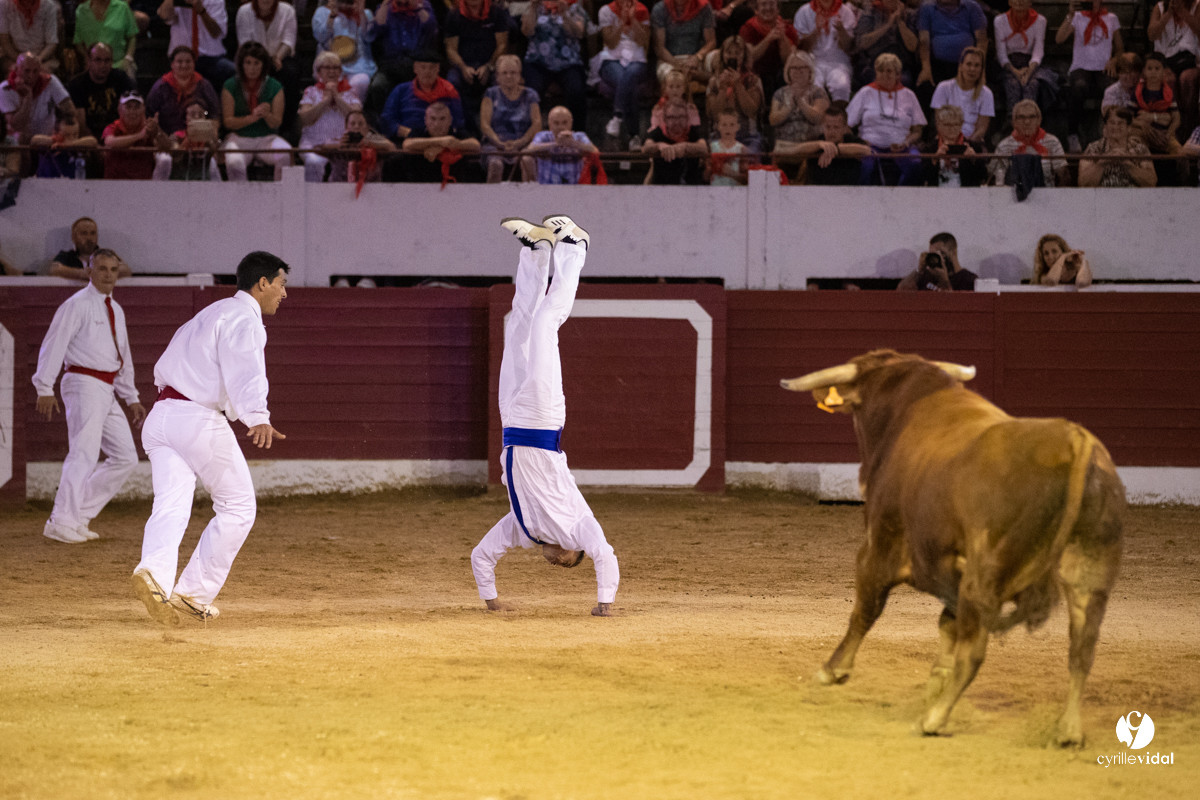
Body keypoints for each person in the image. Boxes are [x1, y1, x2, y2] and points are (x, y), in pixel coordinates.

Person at [131, 250, 290, 625]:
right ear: (263, 283)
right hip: (196, 420)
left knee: (171, 503)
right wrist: (257, 416)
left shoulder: (210, 312)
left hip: (161, 417)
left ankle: (153, 575)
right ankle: (192, 595)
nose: (284, 293)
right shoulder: (245, 319)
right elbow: (246, 370)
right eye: (282, 284)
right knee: (238, 506)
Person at [471, 215, 618, 618]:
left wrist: (492, 602)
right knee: (544, 325)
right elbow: (604, 554)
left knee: (520, 324)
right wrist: (604, 602)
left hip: (511, 422)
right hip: (542, 419)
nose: (559, 564)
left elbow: (481, 555)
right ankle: (575, 248)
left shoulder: (523, 531)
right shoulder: (578, 525)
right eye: (569, 563)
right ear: (575, 550)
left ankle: (537, 250)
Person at [32, 248, 145, 544]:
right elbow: (54, 344)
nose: (108, 275)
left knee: (125, 457)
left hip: (106, 387)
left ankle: (78, 515)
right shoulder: (76, 305)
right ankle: (61, 520)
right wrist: (44, 387)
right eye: (102, 268)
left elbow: (122, 355)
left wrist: (131, 396)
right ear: (89, 271)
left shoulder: (115, 309)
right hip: (82, 382)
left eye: (113, 270)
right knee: (83, 453)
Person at [846, 52, 926, 185]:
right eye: (880, 71)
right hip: (869, 146)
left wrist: (906, 143)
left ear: (898, 74)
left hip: (901, 146)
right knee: (865, 167)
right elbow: (847, 125)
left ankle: (902, 196)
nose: (884, 74)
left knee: (915, 164)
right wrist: (860, 142)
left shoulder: (909, 95)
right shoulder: (865, 92)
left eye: (889, 71)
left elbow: (918, 130)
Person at [1056, 0, 1123, 153]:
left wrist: (1114, 60)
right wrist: (1070, 14)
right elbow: (1059, 39)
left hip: (1102, 67)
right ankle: (1072, 133)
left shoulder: (1111, 18)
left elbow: (1120, 48)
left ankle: (1112, 133)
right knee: (1079, 86)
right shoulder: (1078, 17)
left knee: (1111, 89)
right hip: (1081, 66)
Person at [221, 41, 292, 181]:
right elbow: (228, 122)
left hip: (267, 138)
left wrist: (267, 115)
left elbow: (276, 122)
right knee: (234, 162)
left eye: (256, 63)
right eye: (248, 63)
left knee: (285, 155)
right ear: (241, 65)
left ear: (263, 65)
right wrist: (251, 118)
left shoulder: (275, 86)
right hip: (239, 138)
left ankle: (281, 193)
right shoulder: (230, 85)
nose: (252, 68)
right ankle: (239, 194)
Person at [521, 0, 589, 130]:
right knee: (531, 90)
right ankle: (531, 132)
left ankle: (577, 133)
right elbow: (526, 31)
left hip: (568, 62)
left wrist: (564, 15)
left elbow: (579, 33)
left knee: (576, 90)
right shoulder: (534, 6)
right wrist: (533, 10)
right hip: (538, 61)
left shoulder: (574, 7)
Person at [236, 0, 300, 138]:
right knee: (245, 72)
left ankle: (286, 128)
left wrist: (277, 57)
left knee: (291, 73)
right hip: (254, 57)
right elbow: (245, 43)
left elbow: (289, 41)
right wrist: (261, 61)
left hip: (280, 56)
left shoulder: (287, 10)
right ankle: (247, 125)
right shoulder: (244, 12)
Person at [444, 0, 508, 136]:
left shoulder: (496, 12)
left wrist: (489, 66)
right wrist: (463, 67)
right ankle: (464, 127)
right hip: (463, 64)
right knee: (452, 83)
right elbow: (451, 49)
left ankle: (499, 128)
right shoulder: (454, 15)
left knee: (503, 80)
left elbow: (502, 45)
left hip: (490, 63)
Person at [298, 50, 362, 182]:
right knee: (314, 162)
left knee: (347, 165)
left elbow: (356, 118)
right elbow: (305, 119)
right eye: (327, 67)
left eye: (336, 68)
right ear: (319, 71)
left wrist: (337, 97)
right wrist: (325, 101)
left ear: (340, 71)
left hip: (343, 146)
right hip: (313, 144)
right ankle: (313, 195)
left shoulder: (350, 92)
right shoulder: (311, 91)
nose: (332, 71)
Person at [773, 102, 871, 185]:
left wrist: (836, 149)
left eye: (836, 127)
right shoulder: (816, 141)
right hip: (816, 193)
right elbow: (788, 150)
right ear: (822, 126)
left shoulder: (852, 140)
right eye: (828, 127)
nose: (832, 131)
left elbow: (866, 150)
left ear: (845, 128)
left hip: (849, 193)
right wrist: (818, 145)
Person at [916, 0, 988, 111]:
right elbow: (923, 40)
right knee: (924, 84)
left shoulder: (972, 7)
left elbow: (982, 40)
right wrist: (926, 68)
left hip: (967, 64)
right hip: (937, 64)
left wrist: (981, 70)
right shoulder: (927, 8)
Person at [368, 0, 439, 113]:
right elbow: (376, 29)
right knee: (378, 86)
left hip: (415, 64)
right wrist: (386, 3)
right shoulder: (386, 8)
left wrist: (417, 7)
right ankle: (385, 118)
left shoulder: (423, 5)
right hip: (391, 63)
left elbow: (431, 28)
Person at [597, 0, 652, 143]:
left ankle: (617, 117)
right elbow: (611, 43)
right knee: (628, 84)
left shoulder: (642, 10)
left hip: (636, 60)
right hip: (611, 60)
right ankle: (634, 136)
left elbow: (643, 42)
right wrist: (621, 22)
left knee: (629, 76)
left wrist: (633, 20)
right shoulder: (606, 11)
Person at [480, 53, 540, 183]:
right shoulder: (491, 93)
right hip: (495, 143)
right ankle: (492, 195)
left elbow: (536, 124)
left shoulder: (530, 95)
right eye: (504, 73)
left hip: (524, 143)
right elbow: (485, 125)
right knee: (495, 164)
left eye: (513, 73)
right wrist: (500, 143)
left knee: (528, 161)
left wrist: (520, 142)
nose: (509, 76)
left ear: (519, 75)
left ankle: (532, 195)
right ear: (497, 76)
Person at [145, 46, 221, 144]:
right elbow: (150, 114)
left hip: (200, 139)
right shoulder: (160, 87)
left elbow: (215, 113)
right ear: (172, 64)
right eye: (179, 62)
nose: (184, 65)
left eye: (188, 61)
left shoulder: (204, 85)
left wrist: (213, 133)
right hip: (167, 140)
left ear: (194, 64)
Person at [380, 53, 465, 140]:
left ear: (438, 69)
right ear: (415, 69)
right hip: (408, 141)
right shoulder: (401, 90)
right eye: (423, 67)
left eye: (432, 67)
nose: (427, 72)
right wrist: (410, 134)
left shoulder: (450, 91)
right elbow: (387, 120)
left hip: (444, 141)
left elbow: (458, 123)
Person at [994, 0, 1059, 114]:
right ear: (1009, 2)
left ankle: (1031, 119)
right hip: (1009, 65)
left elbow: (1038, 51)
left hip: (1031, 64)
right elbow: (1001, 54)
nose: (1019, 2)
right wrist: (1015, 72)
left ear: (1030, 2)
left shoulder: (1040, 21)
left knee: (1031, 84)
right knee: (1013, 84)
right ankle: (1012, 120)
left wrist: (1029, 72)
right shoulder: (999, 21)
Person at [158, 0, 237, 91]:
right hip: (182, 59)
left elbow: (216, 33)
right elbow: (165, 16)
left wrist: (202, 11)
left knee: (235, 73)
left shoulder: (216, 1)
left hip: (211, 58)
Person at [1148, 0, 1200, 138]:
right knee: (1168, 80)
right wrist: (1168, 14)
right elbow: (1152, 35)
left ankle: (1188, 124)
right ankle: (1173, 127)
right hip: (1166, 60)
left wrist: (1183, 12)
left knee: (1187, 79)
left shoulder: (1197, 6)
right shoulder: (1160, 7)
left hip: (1191, 60)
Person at [704, 34, 765, 151]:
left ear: (744, 55)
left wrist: (738, 85)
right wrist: (722, 89)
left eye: (737, 53)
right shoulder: (713, 82)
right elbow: (714, 114)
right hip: (719, 136)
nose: (733, 56)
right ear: (722, 55)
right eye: (729, 52)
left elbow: (751, 111)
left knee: (748, 155)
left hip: (748, 136)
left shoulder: (753, 80)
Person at [396, 99, 480, 183]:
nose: (437, 124)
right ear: (425, 120)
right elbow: (407, 145)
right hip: (419, 184)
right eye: (433, 119)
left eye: (442, 119)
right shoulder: (418, 132)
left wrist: (452, 145)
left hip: (455, 185)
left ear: (450, 120)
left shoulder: (457, 133)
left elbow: (476, 145)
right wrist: (442, 141)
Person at [311, 0, 378, 103]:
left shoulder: (366, 13)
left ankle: (353, 110)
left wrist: (361, 14)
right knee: (330, 85)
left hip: (359, 63)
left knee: (360, 82)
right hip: (331, 63)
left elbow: (369, 38)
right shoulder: (322, 12)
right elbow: (320, 37)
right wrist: (332, 17)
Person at [990, 99, 1069, 187]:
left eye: (1032, 117)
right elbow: (996, 178)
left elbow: (1063, 176)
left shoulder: (1052, 142)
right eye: (1021, 117)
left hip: (1046, 193)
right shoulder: (1004, 145)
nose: (1027, 122)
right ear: (1014, 122)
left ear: (1039, 120)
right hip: (1013, 193)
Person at [67, 43, 134, 142]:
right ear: (89, 61)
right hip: (90, 140)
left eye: (107, 60)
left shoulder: (121, 79)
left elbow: (132, 112)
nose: (103, 65)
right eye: (98, 60)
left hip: (118, 137)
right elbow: (81, 125)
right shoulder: (76, 85)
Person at [1, 51, 73, 143]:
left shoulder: (50, 81)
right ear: (17, 70)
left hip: (47, 141)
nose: (31, 76)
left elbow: (70, 111)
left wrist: (61, 129)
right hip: (18, 144)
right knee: (19, 137)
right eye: (27, 71)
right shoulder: (5, 88)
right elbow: (16, 126)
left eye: (35, 71)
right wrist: (28, 98)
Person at [793, 0, 855, 103]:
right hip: (812, 61)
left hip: (838, 61)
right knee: (814, 88)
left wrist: (841, 30)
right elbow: (802, 48)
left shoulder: (846, 12)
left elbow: (848, 48)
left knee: (841, 86)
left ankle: (840, 112)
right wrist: (816, 30)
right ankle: (817, 112)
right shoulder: (804, 11)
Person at [930, 46, 993, 147]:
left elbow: (982, 128)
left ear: (981, 69)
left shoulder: (987, 93)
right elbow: (939, 122)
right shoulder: (943, 87)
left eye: (977, 65)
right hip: (946, 139)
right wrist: (953, 142)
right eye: (968, 64)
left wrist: (967, 144)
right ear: (961, 66)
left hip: (972, 142)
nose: (972, 69)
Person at [1078, 106, 1157, 186]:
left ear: (1128, 128)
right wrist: (1103, 162)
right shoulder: (1093, 149)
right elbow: (1083, 184)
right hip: (1102, 193)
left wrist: (1128, 164)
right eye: (1112, 122)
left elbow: (1151, 183)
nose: (1116, 127)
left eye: (1121, 123)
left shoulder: (1140, 150)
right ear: (1105, 127)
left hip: (1132, 193)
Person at [103, 90, 170, 180]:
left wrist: (157, 131)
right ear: (119, 110)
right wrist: (139, 136)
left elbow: (168, 147)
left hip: (143, 184)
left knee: (165, 158)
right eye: (128, 107)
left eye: (137, 107)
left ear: (143, 109)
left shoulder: (148, 128)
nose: (132, 112)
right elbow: (109, 142)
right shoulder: (113, 127)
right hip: (115, 183)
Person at [853, 0, 917, 90]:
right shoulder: (870, 13)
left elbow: (913, 46)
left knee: (904, 80)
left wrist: (899, 21)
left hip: (900, 66)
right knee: (879, 81)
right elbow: (861, 43)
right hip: (873, 64)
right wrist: (888, 25)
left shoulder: (909, 15)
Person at [739, 0, 798, 99]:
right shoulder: (748, 28)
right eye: (764, 4)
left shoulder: (788, 28)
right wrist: (768, 39)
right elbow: (750, 57)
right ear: (756, 10)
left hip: (780, 74)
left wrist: (782, 37)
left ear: (778, 9)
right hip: (757, 73)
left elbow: (789, 60)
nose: (768, 8)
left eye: (771, 4)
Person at [768, 50, 828, 146]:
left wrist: (800, 101)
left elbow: (818, 118)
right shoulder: (780, 93)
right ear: (788, 71)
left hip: (812, 145)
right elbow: (773, 120)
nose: (798, 71)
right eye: (794, 68)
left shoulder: (818, 92)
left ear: (810, 71)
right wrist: (790, 106)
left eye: (803, 67)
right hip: (785, 145)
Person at [322, 108, 396, 184]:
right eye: (352, 123)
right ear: (346, 126)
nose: (356, 126)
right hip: (338, 186)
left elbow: (391, 146)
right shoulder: (339, 141)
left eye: (361, 124)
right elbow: (324, 146)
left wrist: (373, 144)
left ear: (367, 127)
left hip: (371, 187)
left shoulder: (375, 140)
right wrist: (338, 145)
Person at [643, 97, 708, 183]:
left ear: (687, 118)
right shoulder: (658, 132)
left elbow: (704, 148)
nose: (677, 122)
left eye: (681, 117)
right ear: (665, 119)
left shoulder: (693, 131)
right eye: (672, 117)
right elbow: (646, 148)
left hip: (690, 187)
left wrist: (685, 147)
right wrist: (659, 146)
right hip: (662, 186)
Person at [528, 104, 598, 185]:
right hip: (547, 187)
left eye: (565, 123)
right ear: (550, 123)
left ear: (571, 123)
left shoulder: (580, 136)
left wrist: (573, 143)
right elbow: (530, 148)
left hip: (575, 188)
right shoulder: (543, 136)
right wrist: (555, 144)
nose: (560, 127)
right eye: (556, 123)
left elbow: (594, 150)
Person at [650, 0, 716, 85]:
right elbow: (659, 48)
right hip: (669, 59)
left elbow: (711, 42)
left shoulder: (704, 7)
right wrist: (678, 65)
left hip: (698, 57)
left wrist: (697, 57)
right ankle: (695, 77)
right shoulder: (660, 9)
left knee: (718, 58)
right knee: (674, 78)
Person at [918, 104, 986, 186]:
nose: (952, 128)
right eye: (947, 125)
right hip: (937, 193)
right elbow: (922, 178)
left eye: (956, 124)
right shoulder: (929, 149)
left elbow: (983, 177)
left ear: (961, 125)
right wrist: (934, 160)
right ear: (938, 125)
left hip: (966, 193)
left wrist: (974, 160)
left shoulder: (974, 147)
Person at [49, 217, 132, 279]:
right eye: (84, 233)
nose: (89, 238)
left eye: (93, 233)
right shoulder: (66, 256)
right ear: (73, 237)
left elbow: (125, 270)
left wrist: (100, 273)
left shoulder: (107, 254)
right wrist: (81, 274)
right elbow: (54, 269)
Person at [73, 0, 139, 79]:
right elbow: (78, 42)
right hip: (93, 66)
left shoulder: (123, 7)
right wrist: (88, 60)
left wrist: (128, 58)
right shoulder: (81, 10)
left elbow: (132, 36)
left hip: (119, 63)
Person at [897, 231, 976, 291]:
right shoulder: (927, 275)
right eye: (934, 254)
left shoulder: (968, 280)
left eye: (941, 253)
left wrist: (944, 281)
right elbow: (901, 291)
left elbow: (952, 304)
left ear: (953, 252)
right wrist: (919, 270)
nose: (938, 258)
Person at [31, 111, 98, 178]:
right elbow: (34, 140)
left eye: (75, 134)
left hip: (73, 183)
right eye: (67, 135)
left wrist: (68, 144)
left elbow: (93, 141)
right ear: (55, 132)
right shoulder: (50, 145)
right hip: (47, 182)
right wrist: (54, 140)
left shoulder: (78, 146)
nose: (72, 138)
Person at [0, 0, 59, 75]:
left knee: (42, 75)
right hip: (13, 56)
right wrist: (22, 61)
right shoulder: (4, 4)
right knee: (16, 75)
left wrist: (37, 60)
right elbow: (5, 41)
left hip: (42, 57)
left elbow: (51, 43)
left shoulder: (49, 6)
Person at [649, 67, 701, 133]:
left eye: (678, 86)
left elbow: (694, 126)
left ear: (684, 88)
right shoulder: (660, 105)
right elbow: (655, 125)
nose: (674, 90)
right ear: (665, 88)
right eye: (671, 87)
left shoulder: (690, 107)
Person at [708, 108, 746, 184]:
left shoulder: (742, 149)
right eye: (724, 125)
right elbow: (705, 177)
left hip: (735, 190)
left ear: (738, 127)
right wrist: (712, 168)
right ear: (718, 126)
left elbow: (746, 180)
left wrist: (732, 174)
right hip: (715, 189)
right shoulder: (712, 147)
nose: (728, 128)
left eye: (732, 125)